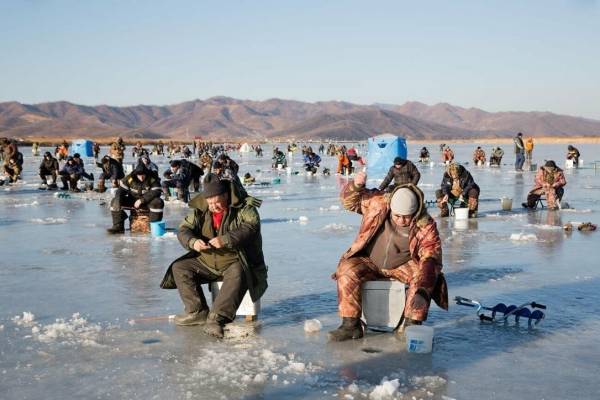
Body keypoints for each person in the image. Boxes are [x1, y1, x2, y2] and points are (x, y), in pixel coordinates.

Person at [328, 174, 448, 341]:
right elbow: (349, 202)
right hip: (370, 260)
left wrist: (422, 292)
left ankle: (411, 325)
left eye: (407, 216)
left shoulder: (425, 225)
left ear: (416, 211)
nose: (401, 220)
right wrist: (355, 186)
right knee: (347, 269)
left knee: (421, 277)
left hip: (402, 265)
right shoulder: (378, 203)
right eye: (397, 215)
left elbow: (431, 259)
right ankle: (350, 325)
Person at [159, 174, 267, 339]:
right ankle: (197, 311)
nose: (213, 206)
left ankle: (217, 318)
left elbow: (251, 227)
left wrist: (226, 240)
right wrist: (193, 242)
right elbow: (183, 229)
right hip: (208, 261)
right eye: (210, 203)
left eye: (217, 202)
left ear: (225, 196)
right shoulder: (201, 210)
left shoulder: (245, 208)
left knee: (239, 272)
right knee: (180, 267)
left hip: (235, 260)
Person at [107, 164, 164, 234]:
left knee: (158, 202)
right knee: (114, 201)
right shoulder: (130, 178)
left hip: (148, 201)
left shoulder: (152, 178)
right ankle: (118, 226)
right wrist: (118, 198)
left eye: (143, 175)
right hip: (132, 200)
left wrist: (141, 200)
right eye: (139, 175)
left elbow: (156, 191)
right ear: (136, 174)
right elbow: (121, 190)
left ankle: (153, 226)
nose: (141, 177)